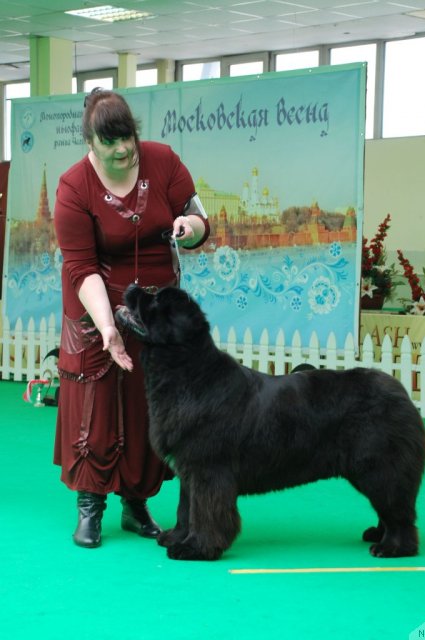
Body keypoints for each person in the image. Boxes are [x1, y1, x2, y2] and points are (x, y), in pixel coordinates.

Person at [53, 87, 210, 548]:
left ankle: (135, 503)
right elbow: (81, 267)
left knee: (150, 402)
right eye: (110, 143)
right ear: (91, 141)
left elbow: (199, 217)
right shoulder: (73, 187)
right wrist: (107, 327)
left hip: (156, 306)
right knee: (96, 402)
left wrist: (191, 228)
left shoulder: (164, 161)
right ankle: (90, 507)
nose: (123, 150)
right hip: (95, 300)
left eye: (128, 139)